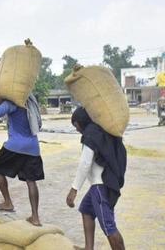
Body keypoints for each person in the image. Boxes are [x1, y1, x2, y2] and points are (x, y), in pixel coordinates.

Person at [66, 107, 127, 250]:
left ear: (81, 122)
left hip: (100, 187)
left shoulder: (91, 135)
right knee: (86, 210)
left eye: (76, 125)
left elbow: (85, 163)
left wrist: (74, 189)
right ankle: (89, 248)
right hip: (104, 183)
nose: (76, 129)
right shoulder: (100, 132)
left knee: (108, 226)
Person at [0, 94, 43, 226]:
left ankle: (7, 202)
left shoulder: (13, 102)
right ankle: (35, 217)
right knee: (31, 181)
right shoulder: (30, 101)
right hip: (33, 147)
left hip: (15, 145)